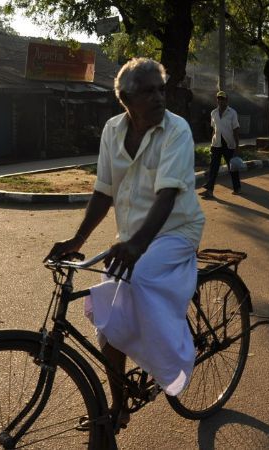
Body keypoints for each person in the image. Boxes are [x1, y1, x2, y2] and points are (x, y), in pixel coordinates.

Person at [45, 57, 205, 431]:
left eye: (161, 89)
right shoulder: (112, 131)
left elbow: (167, 196)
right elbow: (104, 192)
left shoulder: (176, 130)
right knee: (108, 314)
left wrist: (135, 247)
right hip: (134, 238)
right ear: (125, 99)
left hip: (176, 231)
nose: (159, 97)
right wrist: (77, 239)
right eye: (148, 91)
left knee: (137, 279)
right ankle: (118, 408)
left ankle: (176, 359)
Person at [201, 90, 241, 198]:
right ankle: (209, 190)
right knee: (213, 167)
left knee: (232, 167)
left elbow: (236, 130)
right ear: (217, 100)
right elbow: (214, 129)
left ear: (227, 100)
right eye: (219, 99)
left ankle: (237, 188)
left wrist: (237, 146)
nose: (220, 101)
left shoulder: (232, 113)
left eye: (222, 99)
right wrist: (211, 143)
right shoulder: (213, 113)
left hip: (229, 144)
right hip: (216, 144)